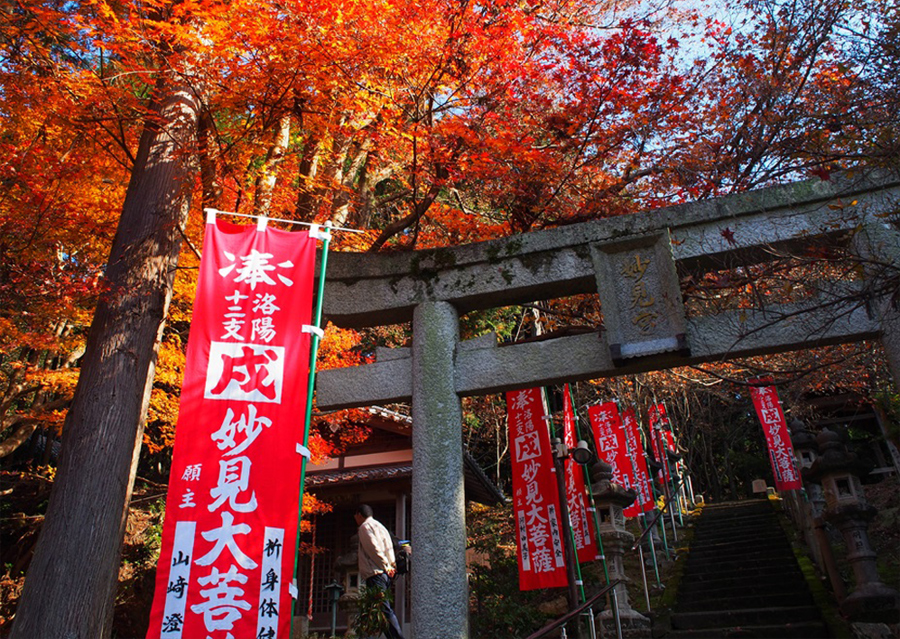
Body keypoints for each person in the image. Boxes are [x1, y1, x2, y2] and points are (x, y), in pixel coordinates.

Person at [354, 504, 405, 639]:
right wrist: (391, 565)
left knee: (383, 610)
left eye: (355, 516)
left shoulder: (365, 527)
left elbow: (374, 548)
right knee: (374, 612)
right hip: (384, 573)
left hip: (375, 572)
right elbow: (389, 547)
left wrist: (385, 565)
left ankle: (398, 637)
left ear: (359, 514)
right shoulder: (380, 526)